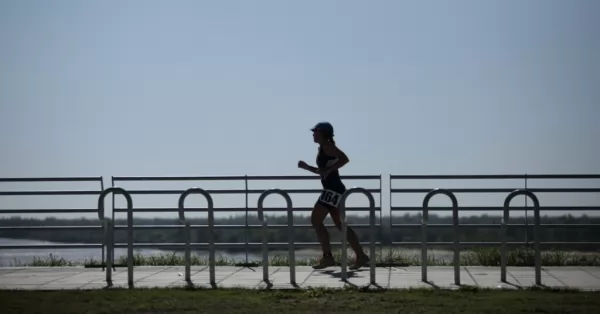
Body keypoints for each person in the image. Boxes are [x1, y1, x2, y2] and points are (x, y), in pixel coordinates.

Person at [297, 121, 370, 270]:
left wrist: (330, 170)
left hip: (333, 190)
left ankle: (329, 257)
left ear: (322, 133)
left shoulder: (328, 147)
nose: (313, 134)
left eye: (315, 131)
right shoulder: (324, 148)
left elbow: (344, 159)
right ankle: (360, 256)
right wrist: (307, 167)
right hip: (333, 190)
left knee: (316, 220)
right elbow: (323, 171)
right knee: (340, 225)